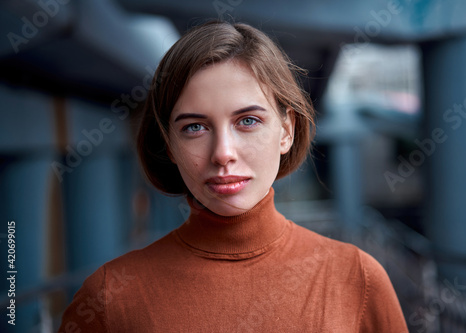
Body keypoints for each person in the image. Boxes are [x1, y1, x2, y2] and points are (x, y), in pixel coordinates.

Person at [58, 20, 408, 332]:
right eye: (195, 127)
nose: (223, 152)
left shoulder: (357, 280)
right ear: (168, 145)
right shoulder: (109, 299)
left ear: (286, 131)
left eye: (248, 121)